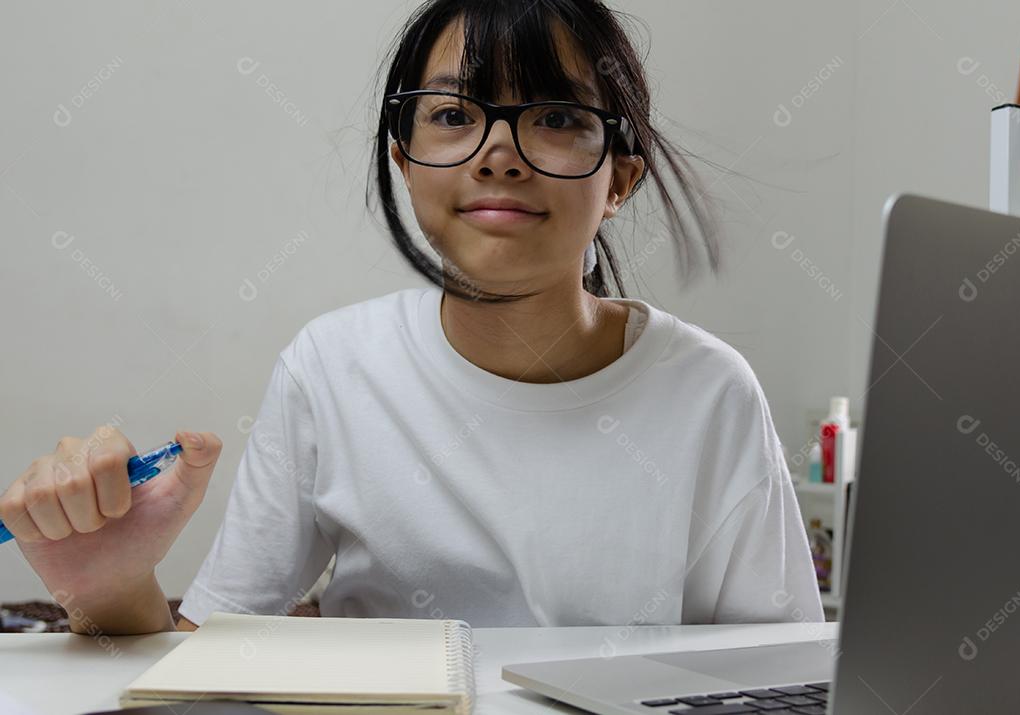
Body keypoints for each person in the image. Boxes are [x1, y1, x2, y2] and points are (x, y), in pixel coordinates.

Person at [0, 0, 824, 635]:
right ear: (404, 158)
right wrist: (109, 588)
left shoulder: (711, 391)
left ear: (620, 180)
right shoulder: (330, 368)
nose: (498, 152)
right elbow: (208, 664)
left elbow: (779, 672)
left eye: (559, 117)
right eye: (454, 115)